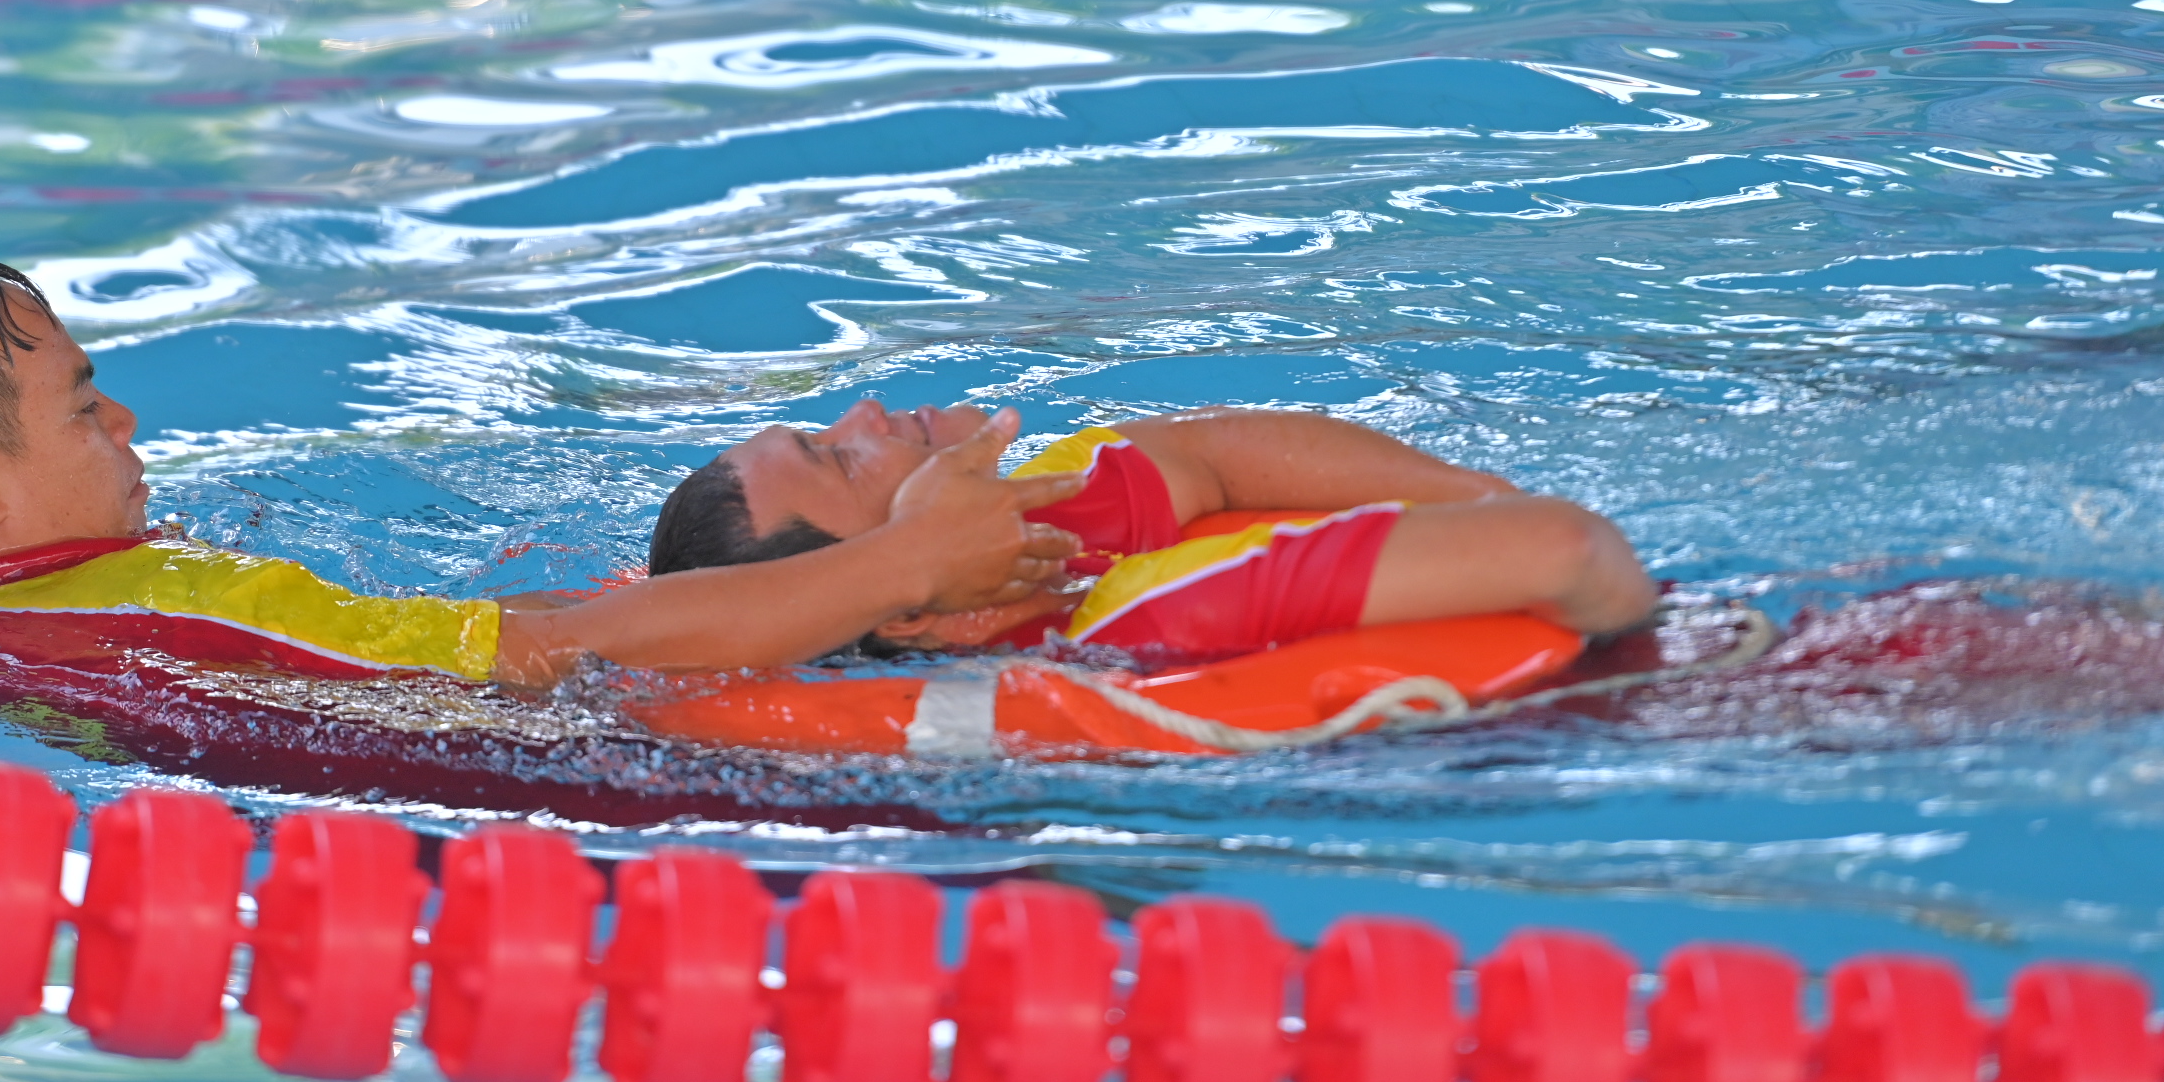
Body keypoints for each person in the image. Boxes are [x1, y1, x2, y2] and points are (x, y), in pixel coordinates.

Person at [0, 260, 1083, 692]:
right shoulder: (163, 606)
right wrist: (914, 560)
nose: (120, 413)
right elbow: (553, 649)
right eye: (76, 404)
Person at [648, 399, 1657, 662]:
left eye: (820, 429)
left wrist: (1466, 490)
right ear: (914, 612)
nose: (865, 417)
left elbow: (1208, 456)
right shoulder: (1167, 617)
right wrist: (1505, 529)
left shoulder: (1057, 527)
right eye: (841, 459)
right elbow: (1569, 552)